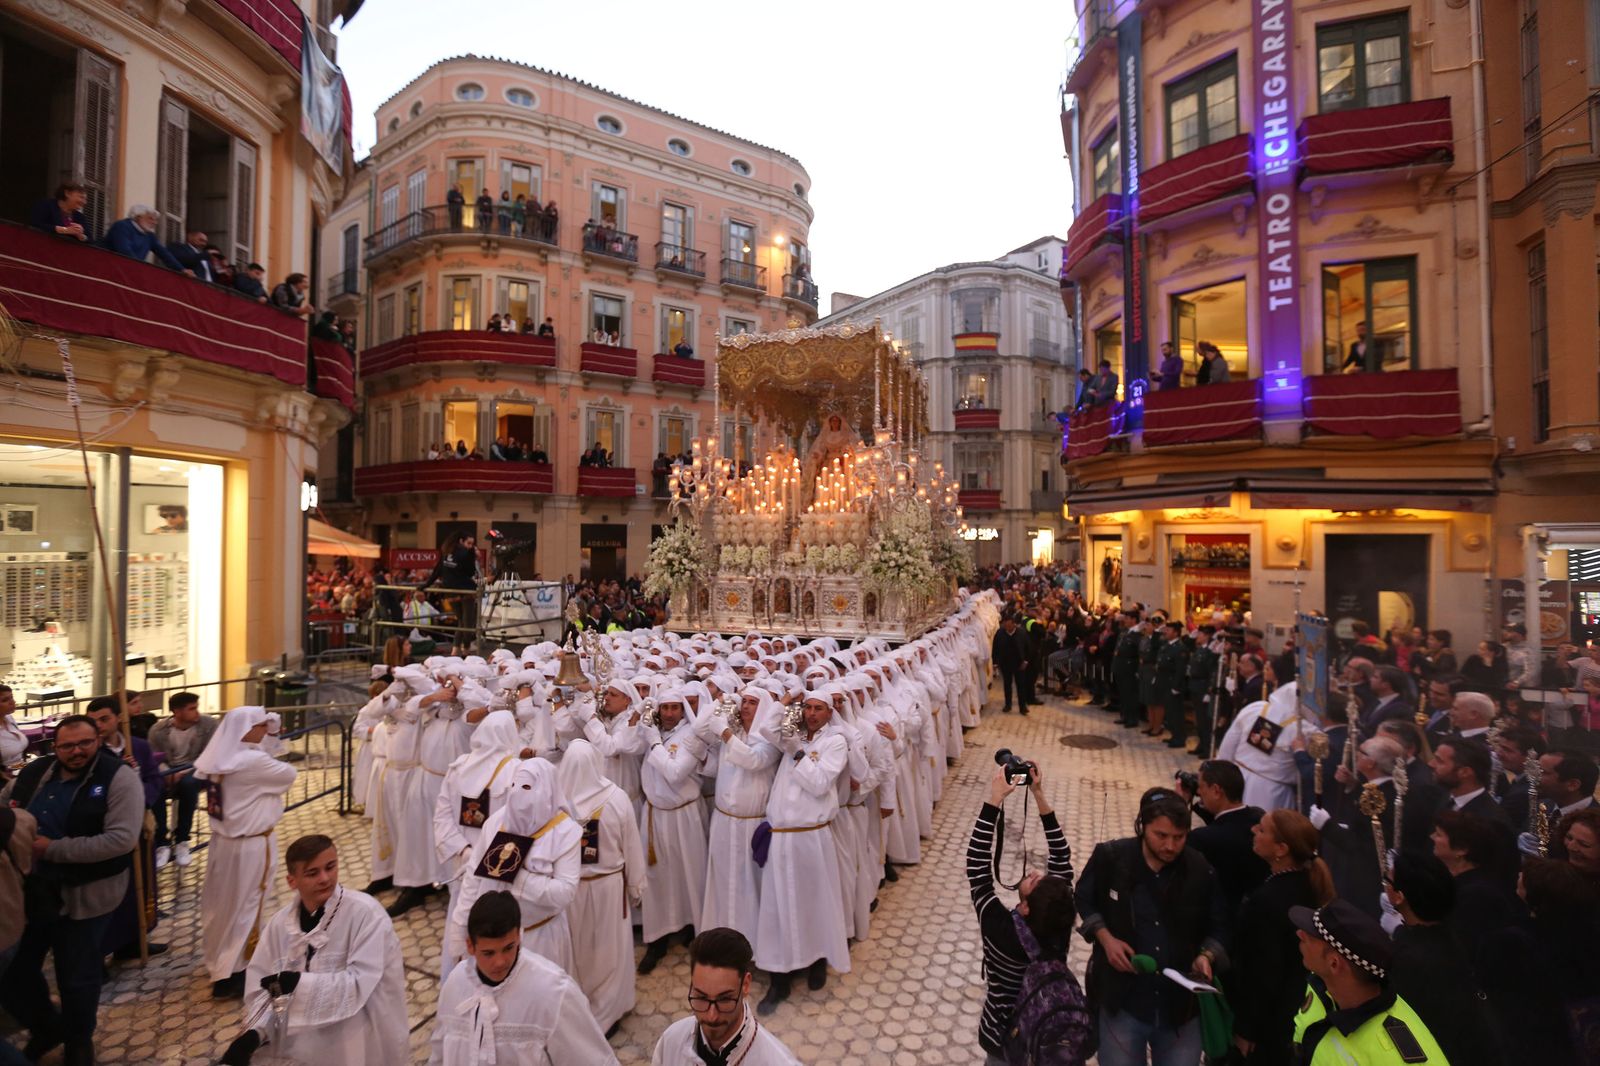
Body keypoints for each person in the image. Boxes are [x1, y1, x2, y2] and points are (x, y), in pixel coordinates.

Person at [0, 715, 141, 1066]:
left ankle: (79, 1040)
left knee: (76, 974)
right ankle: (47, 1026)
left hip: (87, 895)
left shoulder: (119, 777)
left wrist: (51, 849)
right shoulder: (35, 773)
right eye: (67, 745)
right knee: (16, 969)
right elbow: (6, 808)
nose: (76, 751)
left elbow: (121, 840)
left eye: (84, 743)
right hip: (32, 893)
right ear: (54, 746)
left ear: (98, 740)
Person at [217, 835, 408, 1065]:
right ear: (291, 881)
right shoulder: (279, 926)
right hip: (303, 1048)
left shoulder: (366, 915)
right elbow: (264, 989)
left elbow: (359, 985)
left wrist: (298, 984)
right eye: (312, 873)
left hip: (358, 1038)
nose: (325, 878)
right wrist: (255, 1033)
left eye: (330, 867)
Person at [1075, 788, 1228, 1066]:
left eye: (1179, 838)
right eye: (1161, 836)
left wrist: (1206, 956)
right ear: (1142, 826)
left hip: (1180, 1010)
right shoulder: (1111, 857)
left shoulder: (1201, 870)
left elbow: (1220, 925)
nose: (1170, 846)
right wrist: (1105, 937)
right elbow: (1084, 899)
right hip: (1122, 1002)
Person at [967, 762, 1079, 1062]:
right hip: (1047, 1035)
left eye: (1033, 881)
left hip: (1003, 1039)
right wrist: (1038, 793)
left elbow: (977, 866)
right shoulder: (1059, 925)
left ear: (1025, 907)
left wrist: (994, 799)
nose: (1033, 873)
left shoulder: (1000, 932)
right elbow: (1061, 856)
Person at [430, 890, 618, 1065]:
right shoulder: (456, 983)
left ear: (519, 936)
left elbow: (590, 1058)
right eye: (488, 953)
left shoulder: (553, 991)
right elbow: (440, 1051)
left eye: (508, 948)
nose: (500, 962)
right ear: (470, 946)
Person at [752, 691, 851, 1013]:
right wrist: (781, 702)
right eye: (806, 707)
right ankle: (779, 979)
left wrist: (796, 753)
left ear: (829, 712)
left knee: (814, 904)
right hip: (781, 838)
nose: (810, 713)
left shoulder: (835, 742)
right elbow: (766, 729)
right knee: (777, 907)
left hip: (811, 837)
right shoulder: (791, 735)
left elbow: (820, 783)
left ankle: (818, 959)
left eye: (818, 708)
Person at [197, 707, 298, 998]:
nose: (265, 728)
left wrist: (270, 736)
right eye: (262, 725)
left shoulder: (222, 757)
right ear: (247, 730)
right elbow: (288, 774)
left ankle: (218, 961)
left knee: (222, 904)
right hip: (251, 844)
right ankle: (234, 972)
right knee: (247, 905)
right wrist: (273, 739)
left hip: (223, 843)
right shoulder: (253, 761)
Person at [446, 759, 580, 976]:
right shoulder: (497, 822)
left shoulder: (566, 832)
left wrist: (517, 875)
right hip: (493, 937)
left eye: (527, 787)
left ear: (547, 790)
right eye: (514, 786)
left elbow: (565, 892)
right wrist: (461, 930)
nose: (518, 794)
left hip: (540, 936)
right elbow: (473, 877)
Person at [1228, 810, 1333, 1065]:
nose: (1254, 831)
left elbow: (1263, 973)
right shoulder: (1309, 884)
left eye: (1262, 830)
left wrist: (1245, 1029)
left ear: (1282, 849)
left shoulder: (1268, 901)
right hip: (1296, 1011)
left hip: (1269, 1026)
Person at [556, 738, 646, 1034]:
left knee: (580, 948)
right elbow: (632, 844)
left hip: (570, 889)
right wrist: (636, 885)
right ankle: (609, 1007)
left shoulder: (557, 800)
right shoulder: (616, 798)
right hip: (608, 886)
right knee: (609, 949)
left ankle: (580, 1005)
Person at [1289, 899, 1446, 1063]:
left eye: (1313, 934)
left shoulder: (1392, 1058)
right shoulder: (1322, 983)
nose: (1300, 933)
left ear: (1334, 963)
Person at [1381, 851, 1501, 1066]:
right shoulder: (1455, 936)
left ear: (1399, 896)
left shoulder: (1405, 959)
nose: (1385, 885)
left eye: (1388, 880)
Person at [431, 711, 522, 981]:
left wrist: (464, 850)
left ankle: (459, 980)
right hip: (500, 864)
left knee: (463, 917)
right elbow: (518, 823)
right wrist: (480, 856)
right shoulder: (515, 770)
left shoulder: (459, 767)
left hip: (464, 859)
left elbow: (442, 817)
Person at [635, 690, 709, 974]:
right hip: (654, 814)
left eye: (674, 707)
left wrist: (653, 741)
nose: (668, 713)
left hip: (684, 814)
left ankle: (694, 927)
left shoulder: (692, 737)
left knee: (689, 872)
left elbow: (675, 772)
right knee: (657, 876)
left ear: (683, 710)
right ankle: (658, 937)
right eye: (664, 707)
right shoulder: (652, 731)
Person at [652, 927, 803, 1065]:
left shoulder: (776, 1061)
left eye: (724, 999)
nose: (711, 1016)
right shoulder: (671, 1041)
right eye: (702, 998)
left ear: (745, 985)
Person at [1182, 759, 1267, 914]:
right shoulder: (1259, 820)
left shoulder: (1202, 839)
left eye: (1201, 787)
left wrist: (1179, 805)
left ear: (1216, 791)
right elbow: (1228, 824)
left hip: (1221, 918)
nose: (1198, 792)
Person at [147, 690, 217, 868]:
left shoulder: (208, 725)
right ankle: (161, 841)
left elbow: (209, 754)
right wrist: (167, 772)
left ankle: (182, 840)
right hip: (167, 771)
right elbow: (154, 757)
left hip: (195, 770)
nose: (197, 712)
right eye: (192, 709)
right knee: (155, 788)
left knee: (189, 785)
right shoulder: (158, 730)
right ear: (177, 712)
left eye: (196, 707)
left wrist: (182, 771)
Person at [420, 532, 481, 654]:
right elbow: (470, 572)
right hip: (465, 591)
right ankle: (466, 649)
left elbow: (437, 571)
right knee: (467, 623)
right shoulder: (465, 553)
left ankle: (455, 650)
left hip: (450, 593)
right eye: (468, 543)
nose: (470, 546)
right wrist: (473, 556)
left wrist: (425, 585)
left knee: (461, 622)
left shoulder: (446, 553)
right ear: (461, 542)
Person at [103, 205, 190, 272]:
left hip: (131, 270)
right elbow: (124, 251)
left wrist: (181, 269)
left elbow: (164, 253)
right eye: (151, 219)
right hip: (111, 268)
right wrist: (140, 268)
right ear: (138, 217)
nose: (155, 223)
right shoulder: (122, 226)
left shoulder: (150, 236)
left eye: (156, 220)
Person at [992, 613, 1035, 715]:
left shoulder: (1022, 633)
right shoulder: (1000, 633)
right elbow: (995, 648)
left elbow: (1028, 648)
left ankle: (1022, 706)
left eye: (1009, 626)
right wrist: (995, 662)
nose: (1007, 628)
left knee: (1021, 685)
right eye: (1005, 626)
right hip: (1005, 664)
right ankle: (1008, 704)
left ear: (1014, 624)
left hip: (1019, 664)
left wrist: (1026, 661)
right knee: (1007, 684)